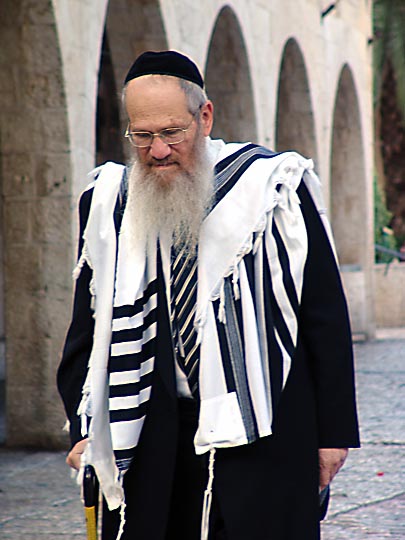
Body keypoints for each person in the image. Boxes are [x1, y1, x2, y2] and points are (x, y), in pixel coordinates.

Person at [57, 50, 360, 540]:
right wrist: (83, 426)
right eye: (143, 135)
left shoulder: (271, 188)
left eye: (172, 133)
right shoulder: (106, 201)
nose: (157, 151)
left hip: (265, 426)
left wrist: (333, 435)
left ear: (205, 116)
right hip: (148, 431)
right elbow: (87, 326)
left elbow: (322, 312)